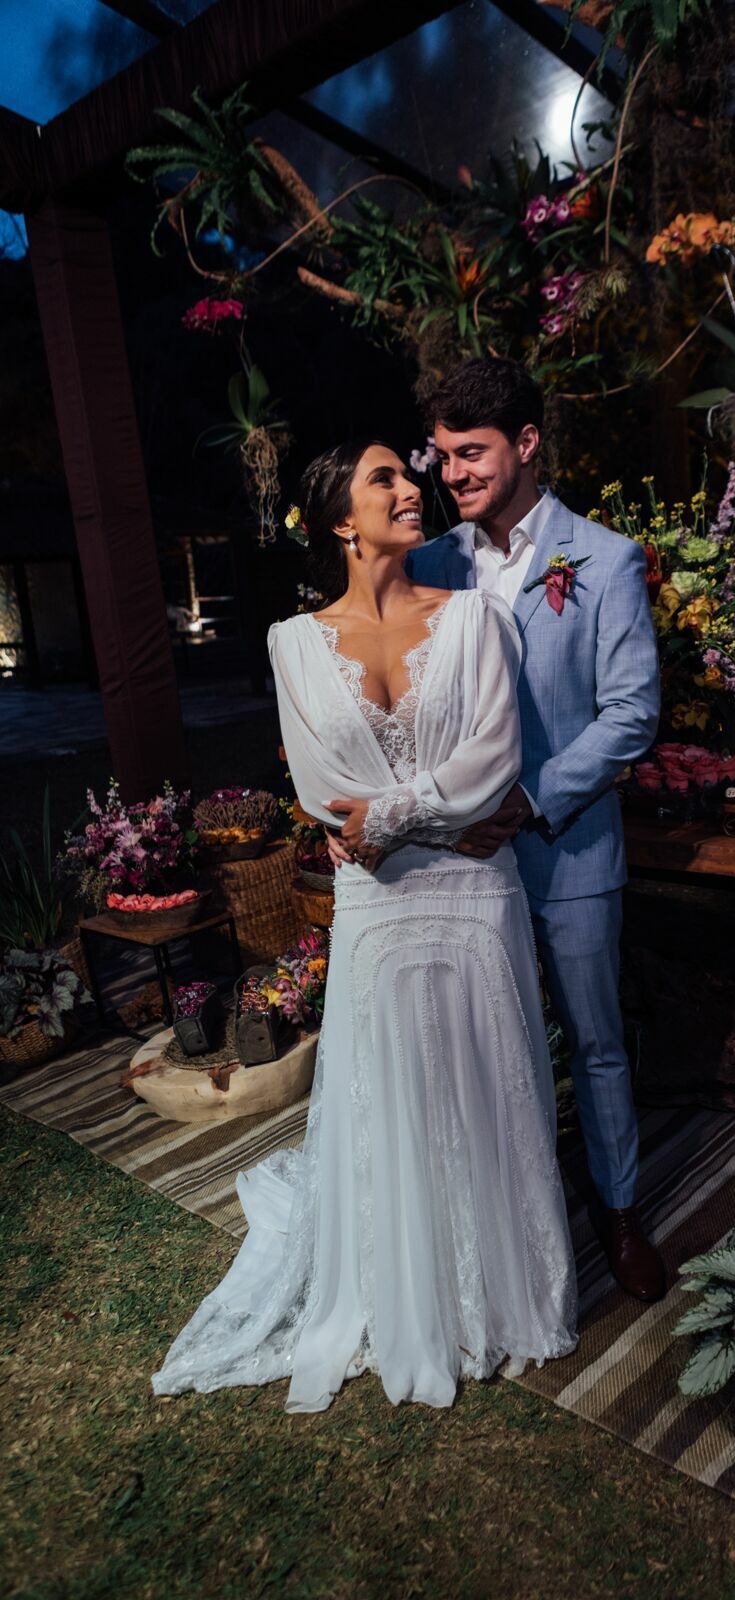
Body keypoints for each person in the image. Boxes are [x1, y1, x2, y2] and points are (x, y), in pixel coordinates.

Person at [152, 439, 577, 1412]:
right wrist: (414, 819)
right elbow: (316, 788)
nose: (409, 488)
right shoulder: (292, 643)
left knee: (485, 1079)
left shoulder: (477, 620)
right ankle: (407, 1284)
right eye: (383, 477)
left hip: (473, 895)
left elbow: (491, 761)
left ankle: (501, 1291)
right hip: (378, 907)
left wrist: (385, 820)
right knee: (395, 1087)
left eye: (407, 473)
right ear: (340, 519)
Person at [327, 359, 666, 1302]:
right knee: (484, 1046)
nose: (450, 474)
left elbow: (630, 714)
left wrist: (532, 799)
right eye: (438, 455)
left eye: (469, 452)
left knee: (594, 1042)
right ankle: (491, 1217)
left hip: (567, 853)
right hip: (452, 868)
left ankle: (621, 1209)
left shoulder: (602, 558)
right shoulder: (427, 564)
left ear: (524, 444)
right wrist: (357, 813)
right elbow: (377, 694)